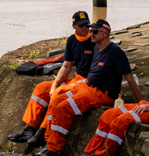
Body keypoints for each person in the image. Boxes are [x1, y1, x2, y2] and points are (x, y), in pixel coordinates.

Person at [36, 19, 142, 156]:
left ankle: (55, 149)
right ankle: (48, 142)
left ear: (105, 33)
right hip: (87, 87)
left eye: (95, 32)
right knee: (56, 97)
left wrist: (140, 102)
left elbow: (129, 78)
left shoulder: (116, 53)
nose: (91, 34)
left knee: (63, 108)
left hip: (101, 94)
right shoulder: (96, 48)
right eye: (91, 31)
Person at [8, 11, 94, 147]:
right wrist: (55, 84)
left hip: (87, 82)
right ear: (74, 26)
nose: (85, 28)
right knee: (41, 88)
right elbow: (66, 66)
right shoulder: (72, 41)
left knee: (58, 96)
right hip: (76, 78)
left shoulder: (94, 40)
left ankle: (42, 131)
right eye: (81, 25)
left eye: (87, 25)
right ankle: (29, 128)